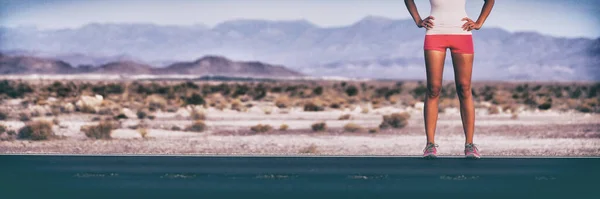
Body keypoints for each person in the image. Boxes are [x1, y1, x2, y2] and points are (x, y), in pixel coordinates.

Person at [404, 0, 495, 159]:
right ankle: (430, 145)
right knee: (433, 88)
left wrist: (480, 22)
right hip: (434, 33)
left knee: (464, 88)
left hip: (462, 33)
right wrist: (418, 20)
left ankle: (470, 145)